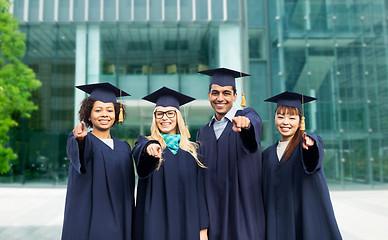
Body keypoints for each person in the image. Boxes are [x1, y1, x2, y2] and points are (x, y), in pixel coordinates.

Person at [263, 91, 342, 240]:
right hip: (277, 225)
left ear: (300, 121)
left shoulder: (306, 146)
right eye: (280, 117)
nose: (285, 122)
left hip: (303, 222)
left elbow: (313, 157)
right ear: (274, 118)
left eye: (292, 118)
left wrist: (311, 144)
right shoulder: (266, 155)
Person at [132, 86, 209, 240]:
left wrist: (203, 229)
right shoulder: (145, 142)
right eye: (159, 114)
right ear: (154, 117)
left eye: (170, 113)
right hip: (153, 224)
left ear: (178, 116)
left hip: (186, 222)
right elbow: (139, 155)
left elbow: (199, 193)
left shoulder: (192, 150)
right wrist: (150, 148)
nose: (164, 118)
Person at [196, 68, 265, 240]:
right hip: (214, 218)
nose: (220, 98)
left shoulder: (247, 117)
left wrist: (246, 125)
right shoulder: (203, 133)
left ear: (235, 96)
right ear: (208, 95)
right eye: (215, 93)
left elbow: (254, 126)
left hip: (243, 214)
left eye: (226, 93)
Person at [61, 83, 135, 240]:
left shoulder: (124, 147)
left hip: (121, 219)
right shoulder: (83, 140)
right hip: (92, 221)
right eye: (98, 110)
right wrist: (80, 140)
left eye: (109, 110)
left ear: (116, 115)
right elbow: (80, 154)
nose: (104, 114)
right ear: (88, 115)